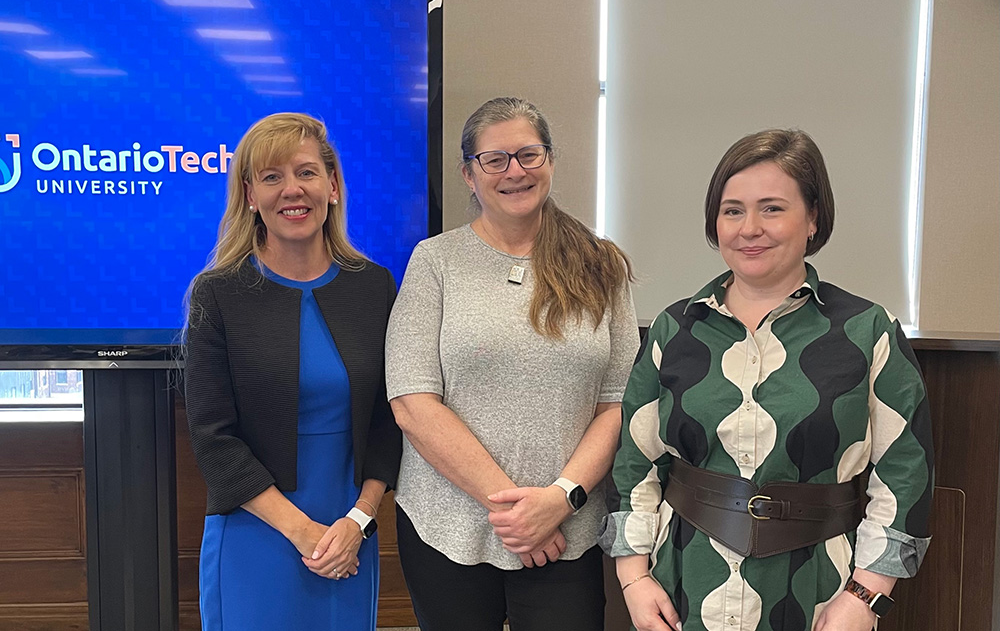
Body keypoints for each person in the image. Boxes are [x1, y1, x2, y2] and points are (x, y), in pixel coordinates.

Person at [602, 129, 934, 631]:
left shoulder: (867, 331)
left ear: (813, 218)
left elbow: (906, 474)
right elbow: (634, 464)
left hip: (822, 591)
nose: (749, 228)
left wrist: (866, 596)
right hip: (682, 588)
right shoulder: (675, 329)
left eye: (772, 208)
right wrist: (633, 579)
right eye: (732, 210)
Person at [384, 96, 639, 631]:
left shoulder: (601, 264)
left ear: (549, 160)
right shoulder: (435, 262)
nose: (514, 171)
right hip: (446, 527)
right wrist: (517, 514)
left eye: (529, 155)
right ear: (469, 175)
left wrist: (557, 501)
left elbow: (620, 403)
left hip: (567, 530)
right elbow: (412, 401)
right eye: (495, 160)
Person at [184, 112, 401, 630]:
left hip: (350, 535)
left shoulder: (374, 287)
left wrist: (358, 522)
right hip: (256, 530)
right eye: (271, 177)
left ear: (332, 186)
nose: (292, 190)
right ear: (250, 195)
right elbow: (214, 440)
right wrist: (305, 533)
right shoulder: (216, 294)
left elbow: (389, 422)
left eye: (305, 172)